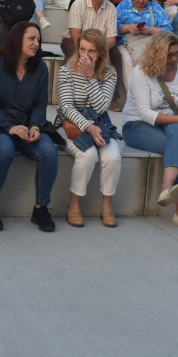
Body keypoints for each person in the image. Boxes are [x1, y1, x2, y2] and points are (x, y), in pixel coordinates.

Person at [0, 22, 60, 232]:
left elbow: (40, 105)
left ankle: (41, 208)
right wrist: (9, 127)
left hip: (28, 124)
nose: (36, 43)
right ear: (17, 39)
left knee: (49, 150)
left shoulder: (40, 69)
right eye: (31, 38)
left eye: (38, 39)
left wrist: (36, 127)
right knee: (4, 149)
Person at [122, 32, 178, 231]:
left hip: (168, 122)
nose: (173, 59)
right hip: (137, 125)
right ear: (157, 53)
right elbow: (146, 114)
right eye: (169, 55)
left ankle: (167, 188)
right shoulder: (140, 72)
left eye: (175, 53)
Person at [54, 29, 123, 227]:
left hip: (100, 124)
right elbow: (66, 107)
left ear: (101, 52)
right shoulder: (66, 70)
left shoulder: (109, 73)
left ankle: (107, 206)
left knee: (112, 156)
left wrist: (90, 76)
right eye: (82, 49)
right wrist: (88, 127)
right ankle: (73, 205)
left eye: (91, 51)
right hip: (70, 126)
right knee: (88, 154)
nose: (85, 55)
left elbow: (101, 108)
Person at [116, 0, 172, 87]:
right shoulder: (124, 5)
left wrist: (150, 30)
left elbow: (168, 28)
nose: (141, 1)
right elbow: (113, 26)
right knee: (126, 60)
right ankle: (132, 94)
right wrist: (127, 28)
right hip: (125, 42)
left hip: (149, 42)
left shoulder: (155, 7)